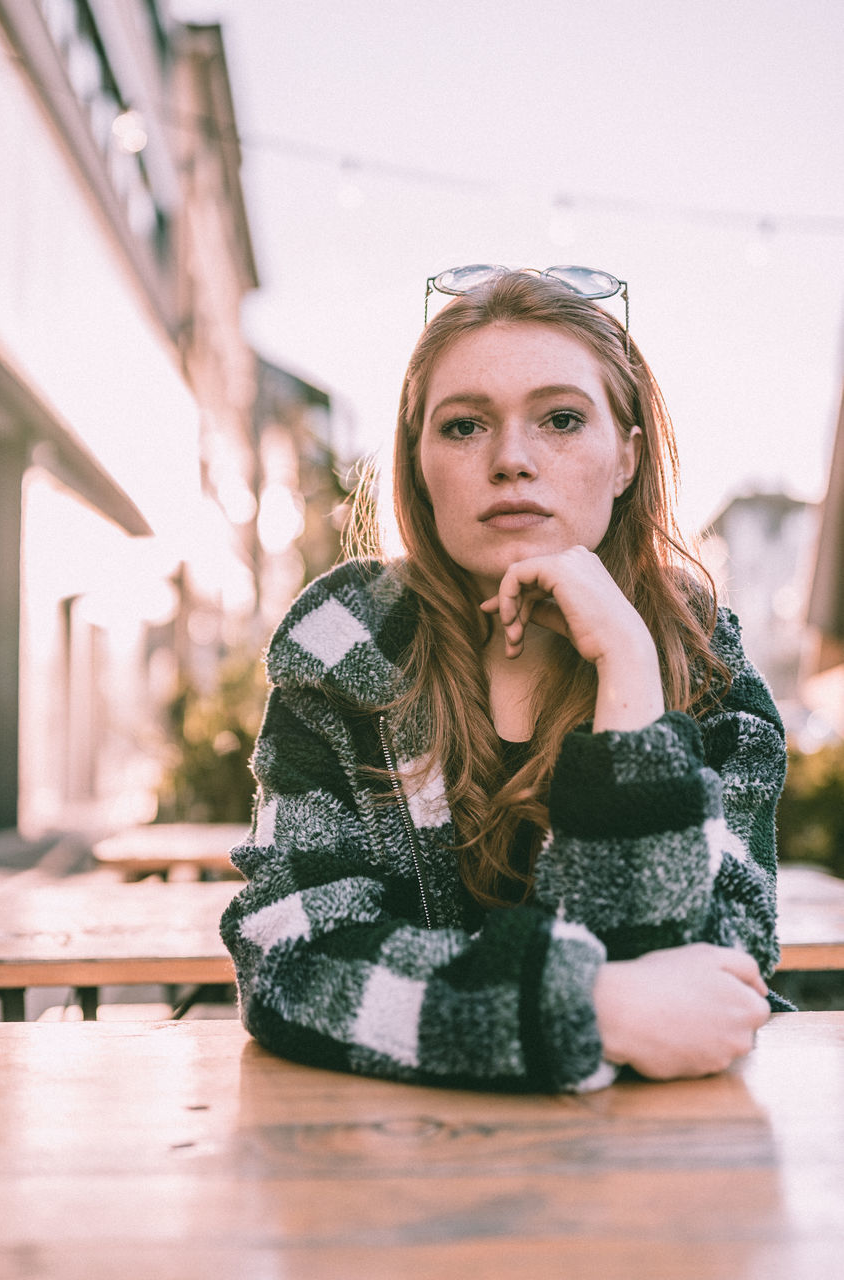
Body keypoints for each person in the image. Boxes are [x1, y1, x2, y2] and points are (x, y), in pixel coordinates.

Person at [221, 267, 789, 1092]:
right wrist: (584, 1006)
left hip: (664, 1179)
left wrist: (628, 676)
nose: (511, 460)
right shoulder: (344, 645)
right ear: (416, 463)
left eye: (560, 419)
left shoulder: (701, 660)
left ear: (625, 459)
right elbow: (290, 955)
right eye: (462, 427)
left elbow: (708, 981)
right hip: (393, 1170)